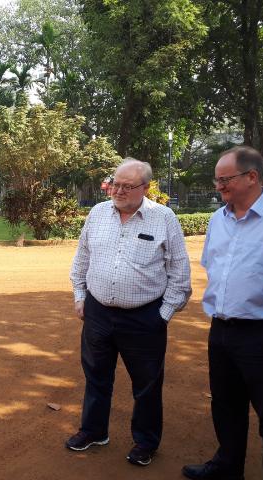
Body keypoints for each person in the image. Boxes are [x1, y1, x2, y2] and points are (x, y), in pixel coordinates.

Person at [67, 158, 191, 466]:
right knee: (96, 376)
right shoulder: (97, 213)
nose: (118, 191)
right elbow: (82, 257)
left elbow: (179, 272)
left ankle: (146, 441)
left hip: (144, 317)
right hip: (97, 313)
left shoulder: (163, 218)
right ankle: (94, 431)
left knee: (146, 384)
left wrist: (162, 315)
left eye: (127, 186)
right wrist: (80, 295)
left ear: (145, 188)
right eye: (115, 184)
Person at [182, 146, 263, 480]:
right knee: (226, 405)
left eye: (224, 180)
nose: (219, 187)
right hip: (221, 329)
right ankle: (228, 467)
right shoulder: (218, 219)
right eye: (217, 180)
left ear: (252, 177)